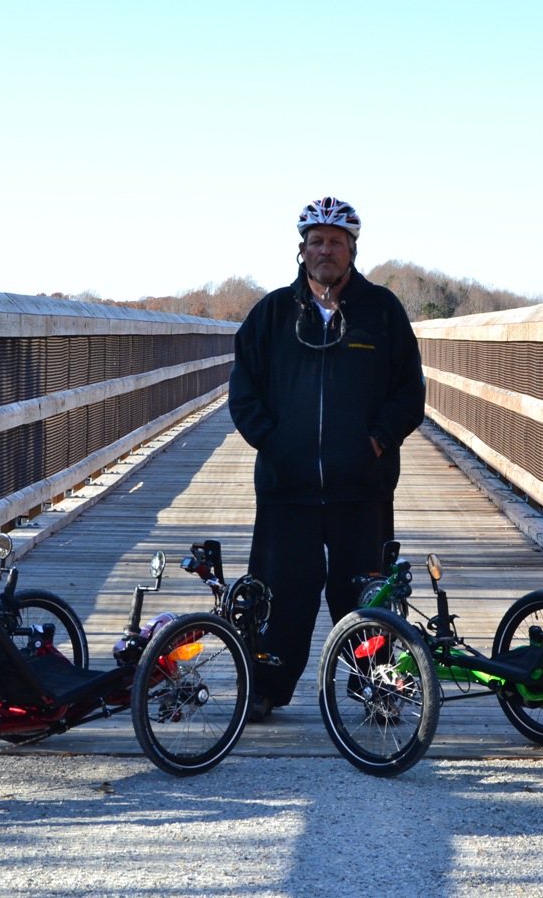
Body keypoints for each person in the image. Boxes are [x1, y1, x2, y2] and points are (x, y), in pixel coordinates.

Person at [228, 196, 426, 721]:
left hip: (361, 487)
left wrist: (379, 439)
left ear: (352, 250)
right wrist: (272, 440)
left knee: (366, 597)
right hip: (286, 488)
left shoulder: (382, 311)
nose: (326, 251)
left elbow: (410, 391)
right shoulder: (271, 313)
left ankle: (375, 687)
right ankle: (266, 686)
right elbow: (242, 390)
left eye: (336, 242)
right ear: (301, 250)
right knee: (279, 597)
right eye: (316, 241)